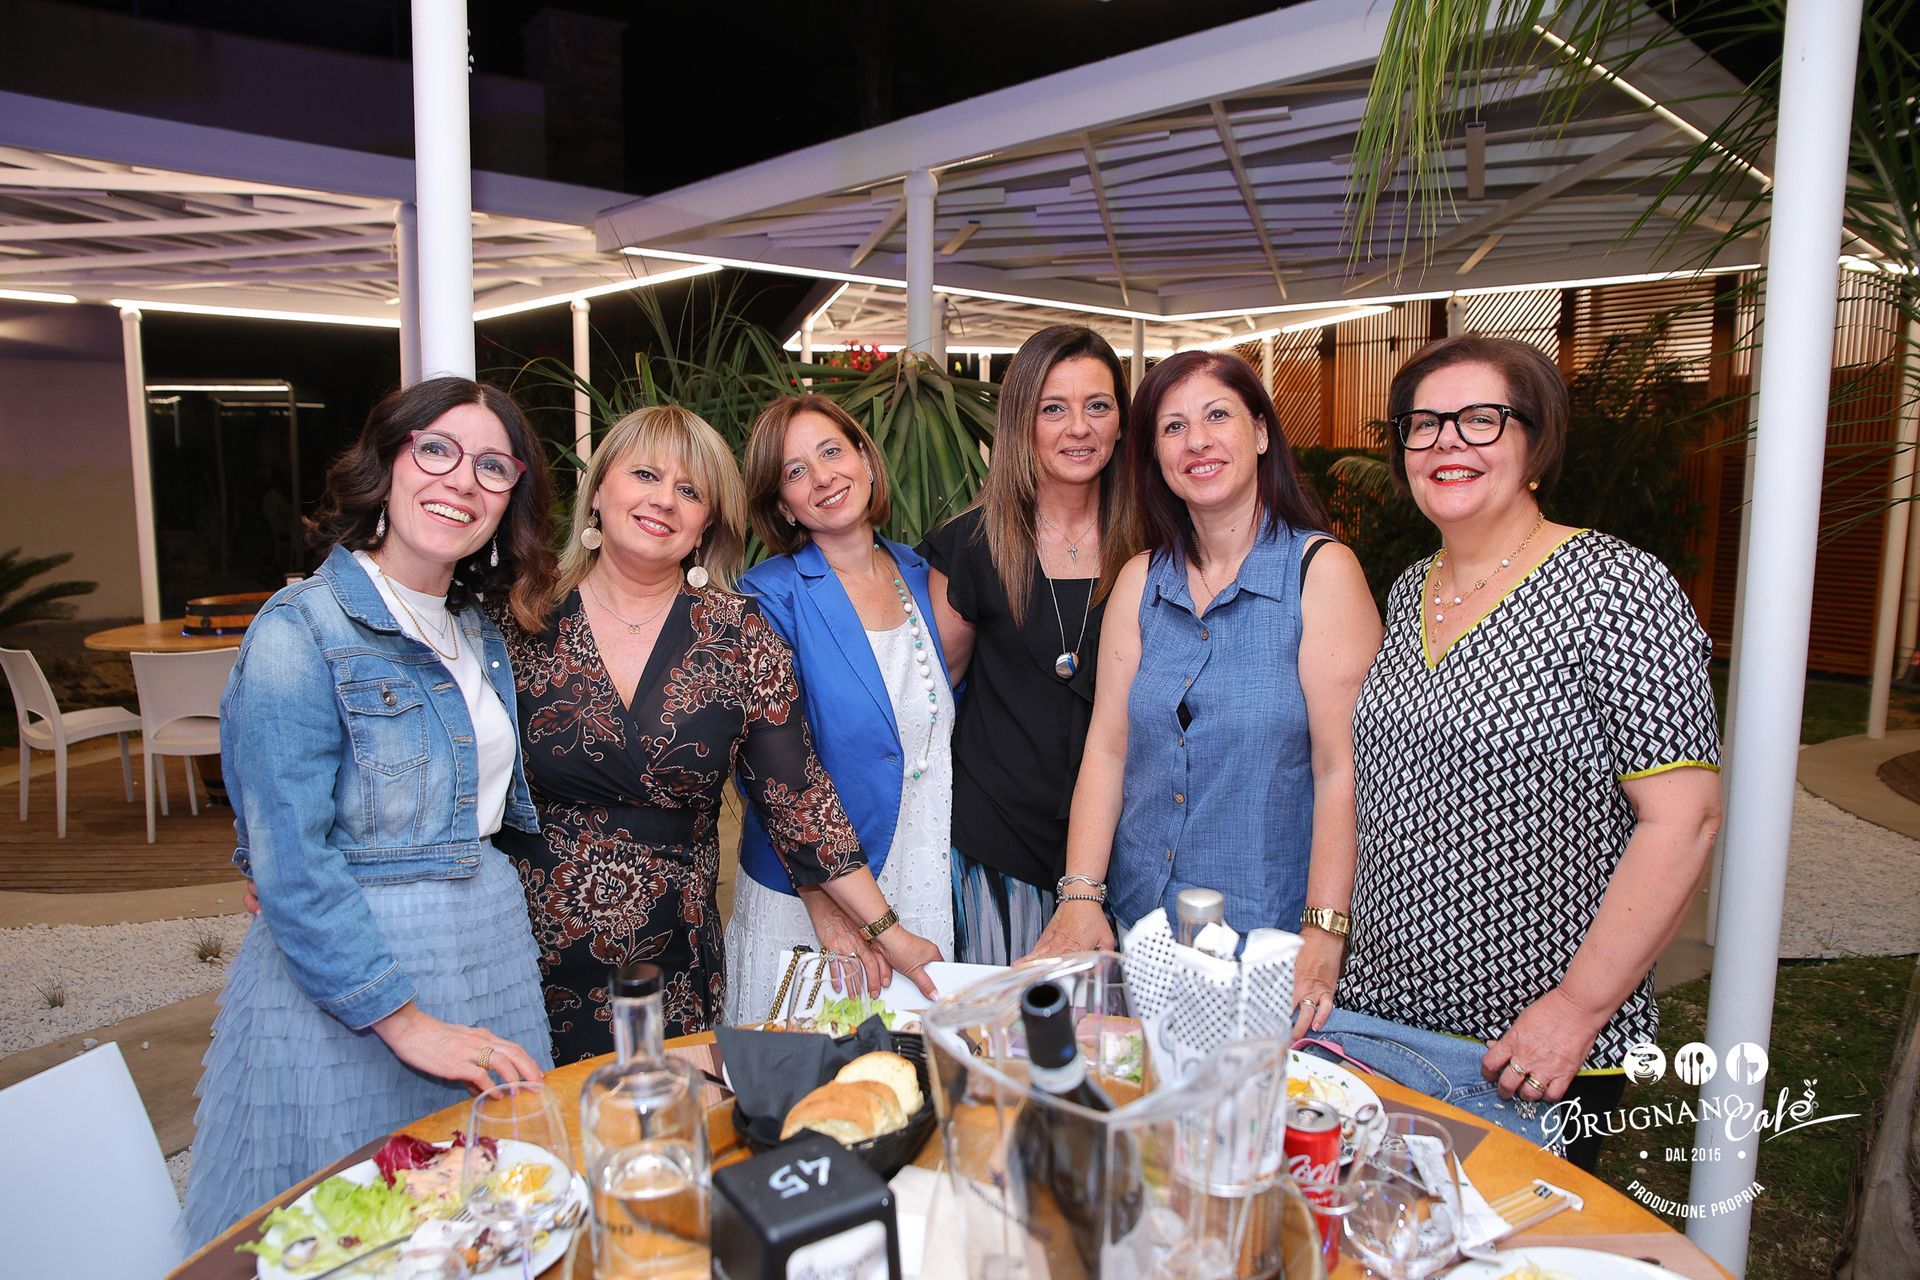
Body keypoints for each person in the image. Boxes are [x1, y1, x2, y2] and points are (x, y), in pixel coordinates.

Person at [1294, 334, 1722, 1169]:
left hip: (1526, 1048)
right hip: (1379, 1023)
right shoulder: (1411, 587)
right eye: (1423, 424)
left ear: (1536, 440)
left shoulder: (1617, 586)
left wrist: (1577, 1009)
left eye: (1480, 419)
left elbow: (1686, 821)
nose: (1446, 441)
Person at [184, 377, 558, 1247]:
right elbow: (292, 858)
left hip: (488, 952)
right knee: (354, 1235)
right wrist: (407, 1023)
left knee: (484, 1225)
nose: (462, 480)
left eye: (493, 466)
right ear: (387, 461)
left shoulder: (475, 629)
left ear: (511, 498)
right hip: (360, 982)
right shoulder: (301, 628)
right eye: (438, 450)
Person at [500, 406, 940, 1061]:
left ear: (707, 521)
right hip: (523, 957)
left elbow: (798, 800)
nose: (664, 500)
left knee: (668, 1121)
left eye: (690, 490)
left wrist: (888, 931)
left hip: (673, 964)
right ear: (597, 491)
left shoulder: (740, 635)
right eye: (645, 475)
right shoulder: (517, 620)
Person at [1031, 350, 1381, 960]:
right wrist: (1081, 896)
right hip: (1140, 927)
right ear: (1155, 456)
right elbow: (1108, 748)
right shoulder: (1140, 580)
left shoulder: (1320, 573)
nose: (1197, 441)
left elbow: (1341, 768)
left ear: (1261, 433)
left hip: (1268, 939)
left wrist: (1325, 932)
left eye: (1217, 416)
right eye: (1174, 426)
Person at [724, 395, 956, 1024]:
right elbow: (770, 777)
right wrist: (829, 910)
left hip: (919, 867)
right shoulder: (767, 596)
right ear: (783, 505)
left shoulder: (923, 574)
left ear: (865, 460)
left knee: (911, 1071)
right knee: (807, 1077)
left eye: (831, 452)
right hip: (817, 902)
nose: (823, 477)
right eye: (795, 471)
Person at [919, 325, 1137, 964]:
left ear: (1122, 423)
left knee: (1113, 1026)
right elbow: (936, 698)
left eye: (1098, 406)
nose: (1079, 428)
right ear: (1021, 423)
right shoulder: (970, 547)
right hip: (998, 847)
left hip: (1127, 847)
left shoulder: (1156, 545)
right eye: (1053, 408)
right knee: (1007, 1023)